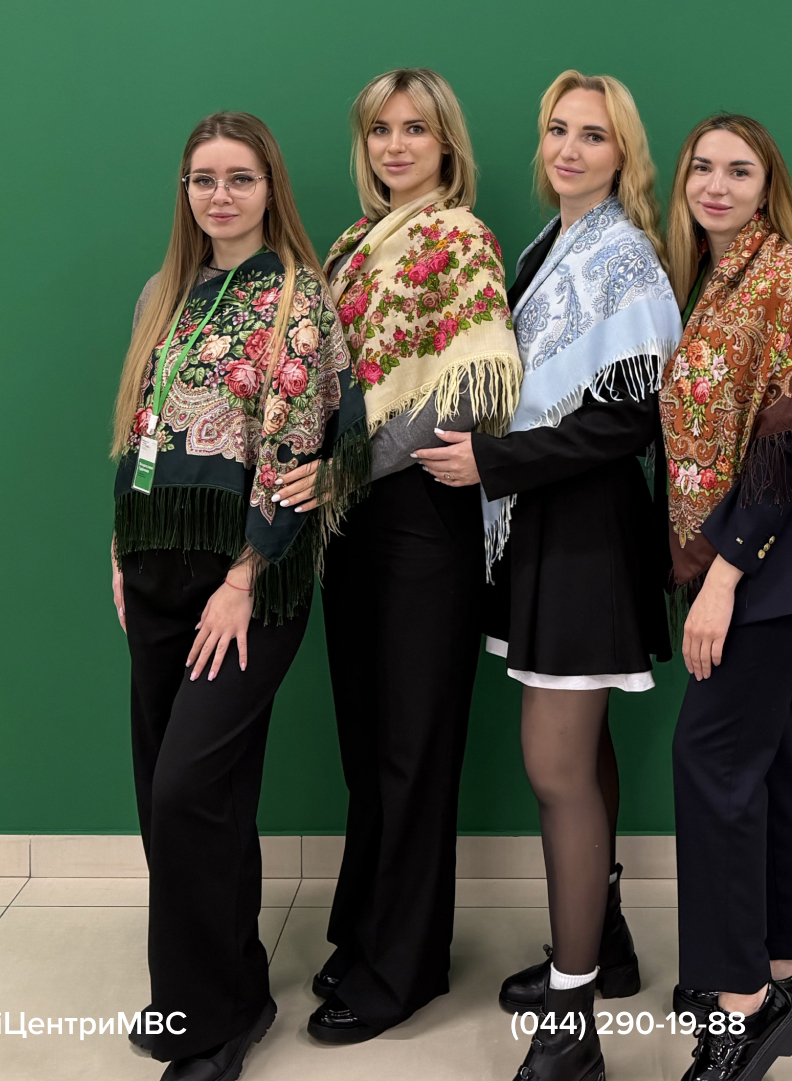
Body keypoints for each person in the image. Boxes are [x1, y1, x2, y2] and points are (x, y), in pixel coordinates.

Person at [416, 70, 679, 1081]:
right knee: (581, 752)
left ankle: (571, 1027)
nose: (569, 149)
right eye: (558, 130)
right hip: (543, 532)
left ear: (624, 155)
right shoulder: (546, 245)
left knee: (555, 769)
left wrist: (495, 462)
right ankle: (603, 945)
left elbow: (630, 421)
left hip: (584, 540)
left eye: (593, 136)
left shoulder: (623, 256)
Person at [108, 111, 363, 1081]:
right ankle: (219, 989)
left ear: (269, 189)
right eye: (203, 179)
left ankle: (213, 1026)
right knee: (173, 797)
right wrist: (119, 550)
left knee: (189, 790)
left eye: (239, 178)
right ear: (185, 191)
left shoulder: (298, 297)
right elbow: (139, 429)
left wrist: (245, 578)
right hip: (154, 568)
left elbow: (299, 452)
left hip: (246, 580)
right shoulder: (162, 293)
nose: (220, 195)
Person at [294, 68, 523, 1044]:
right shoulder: (351, 246)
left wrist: (343, 467)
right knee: (366, 741)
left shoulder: (459, 240)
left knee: (412, 747)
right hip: (355, 527)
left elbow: (464, 392)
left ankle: (406, 966)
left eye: (414, 129)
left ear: (446, 144)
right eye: (380, 130)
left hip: (421, 523)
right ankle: (366, 931)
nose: (395, 146)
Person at [659, 114, 792, 1081]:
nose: (716, 184)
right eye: (701, 167)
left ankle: (740, 1007)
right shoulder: (712, 280)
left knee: (709, 758)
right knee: (762, 758)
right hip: (752, 566)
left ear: (766, 185)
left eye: (737, 170)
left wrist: (722, 577)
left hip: (764, 568)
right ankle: (781, 971)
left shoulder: (784, 277)